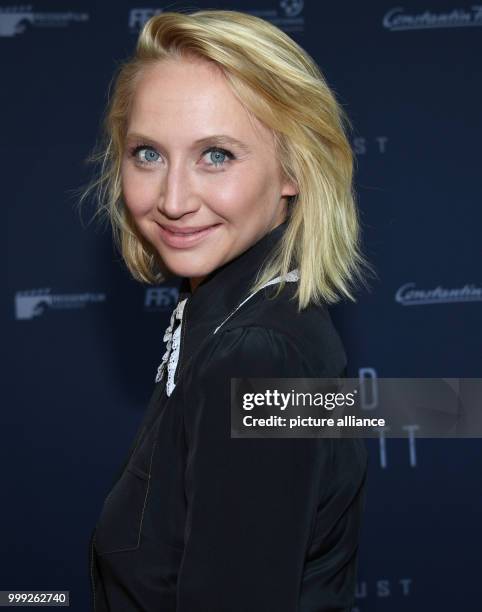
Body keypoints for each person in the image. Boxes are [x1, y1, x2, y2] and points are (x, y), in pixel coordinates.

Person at [80, 9, 375, 612]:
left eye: (216, 155)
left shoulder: (259, 353)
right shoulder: (239, 321)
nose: (173, 200)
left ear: (293, 168)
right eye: (148, 154)